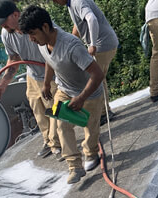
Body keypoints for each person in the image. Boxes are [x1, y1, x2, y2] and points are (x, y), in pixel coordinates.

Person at [19, 6, 105, 184]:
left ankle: (91, 153)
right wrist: (46, 85)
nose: (31, 39)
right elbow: (50, 62)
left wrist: (81, 98)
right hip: (64, 90)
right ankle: (74, 166)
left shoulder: (71, 45)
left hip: (90, 94)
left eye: (33, 33)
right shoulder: (42, 44)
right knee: (60, 124)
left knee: (90, 129)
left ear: (45, 27)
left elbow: (97, 74)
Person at [0, 0, 62, 160]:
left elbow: (58, 50)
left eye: (4, 22)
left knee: (55, 110)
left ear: (16, 15)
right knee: (38, 109)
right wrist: (3, 84)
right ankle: (48, 141)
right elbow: (14, 59)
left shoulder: (38, 25)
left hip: (53, 75)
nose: (2, 26)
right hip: (33, 74)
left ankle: (57, 144)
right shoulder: (6, 34)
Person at [50, 0, 118, 124]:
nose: (54, 2)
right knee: (99, 78)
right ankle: (104, 111)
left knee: (94, 78)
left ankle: (103, 113)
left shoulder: (77, 2)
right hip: (107, 43)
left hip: (102, 45)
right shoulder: (71, 4)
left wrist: (92, 44)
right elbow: (78, 24)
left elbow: (91, 19)